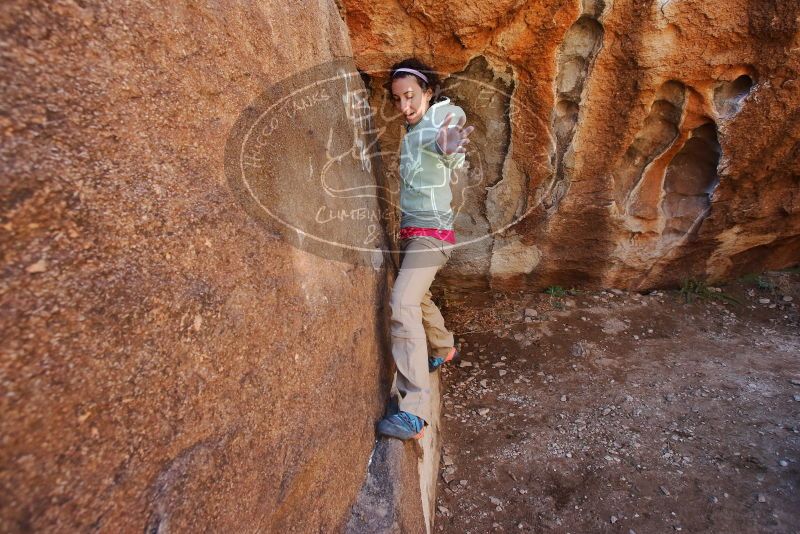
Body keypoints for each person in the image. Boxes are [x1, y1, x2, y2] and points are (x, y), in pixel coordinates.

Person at [376, 58, 475, 441]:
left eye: (411, 96)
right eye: (397, 99)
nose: (404, 106)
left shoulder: (441, 118)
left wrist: (448, 146)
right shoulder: (413, 129)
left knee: (401, 302)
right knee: (419, 297)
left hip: (430, 235)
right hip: (414, 232)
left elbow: (449, 143)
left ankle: (413, 412)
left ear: (429, 92)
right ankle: (443, 347)